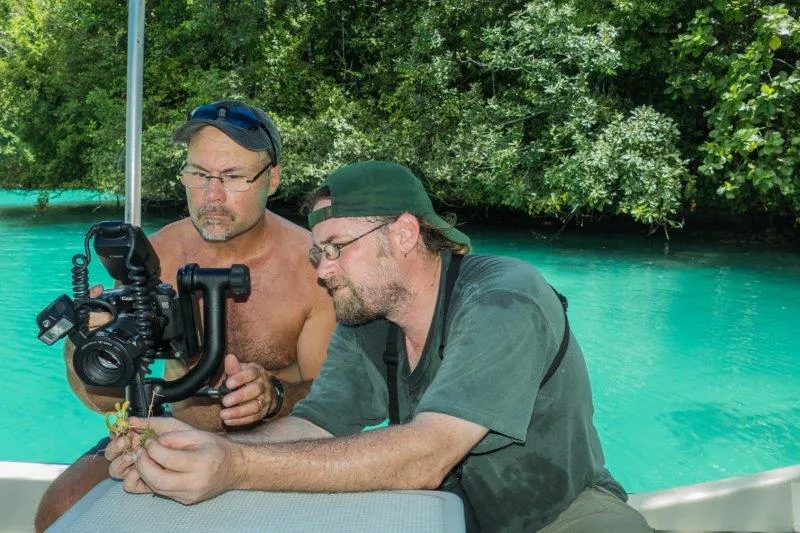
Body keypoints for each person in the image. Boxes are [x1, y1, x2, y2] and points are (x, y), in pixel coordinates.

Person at [108, 161, 653, 532]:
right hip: (437, 514)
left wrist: (236, 465)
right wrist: (181, 444)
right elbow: (315, 427)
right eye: (318, 254)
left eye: (337, 249)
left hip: (561, 517)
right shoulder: (368, 318)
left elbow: (425, 454)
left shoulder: (505, 299)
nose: (324, 272)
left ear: (405, 234)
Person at [34, 100, 336, 532]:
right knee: (58, 510)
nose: (212, 196)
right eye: (198, 175)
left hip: (278, 445)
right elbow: (104, 400)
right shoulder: (155, 257)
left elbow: (336, 401)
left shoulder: (313, 270)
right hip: (169, 430)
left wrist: (273, 396)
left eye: (232, 177)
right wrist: (84, 348)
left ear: (272, 179)